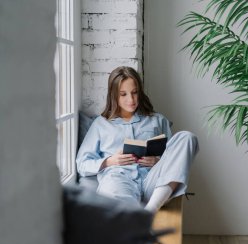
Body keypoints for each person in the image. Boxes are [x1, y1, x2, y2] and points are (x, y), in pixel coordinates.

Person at [76, 66, 199, 213]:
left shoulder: (157, 120)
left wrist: (158, 161)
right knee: (113, 192)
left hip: (154, 185)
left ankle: (150, 210)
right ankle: (140, 216)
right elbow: (82, 164)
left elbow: (174, 158)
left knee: (187, 137)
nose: (131, 99)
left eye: (135, 93)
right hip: (119, 181)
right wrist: (110, 161)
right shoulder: (101, 124)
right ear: (114, 95)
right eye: (123, 94)